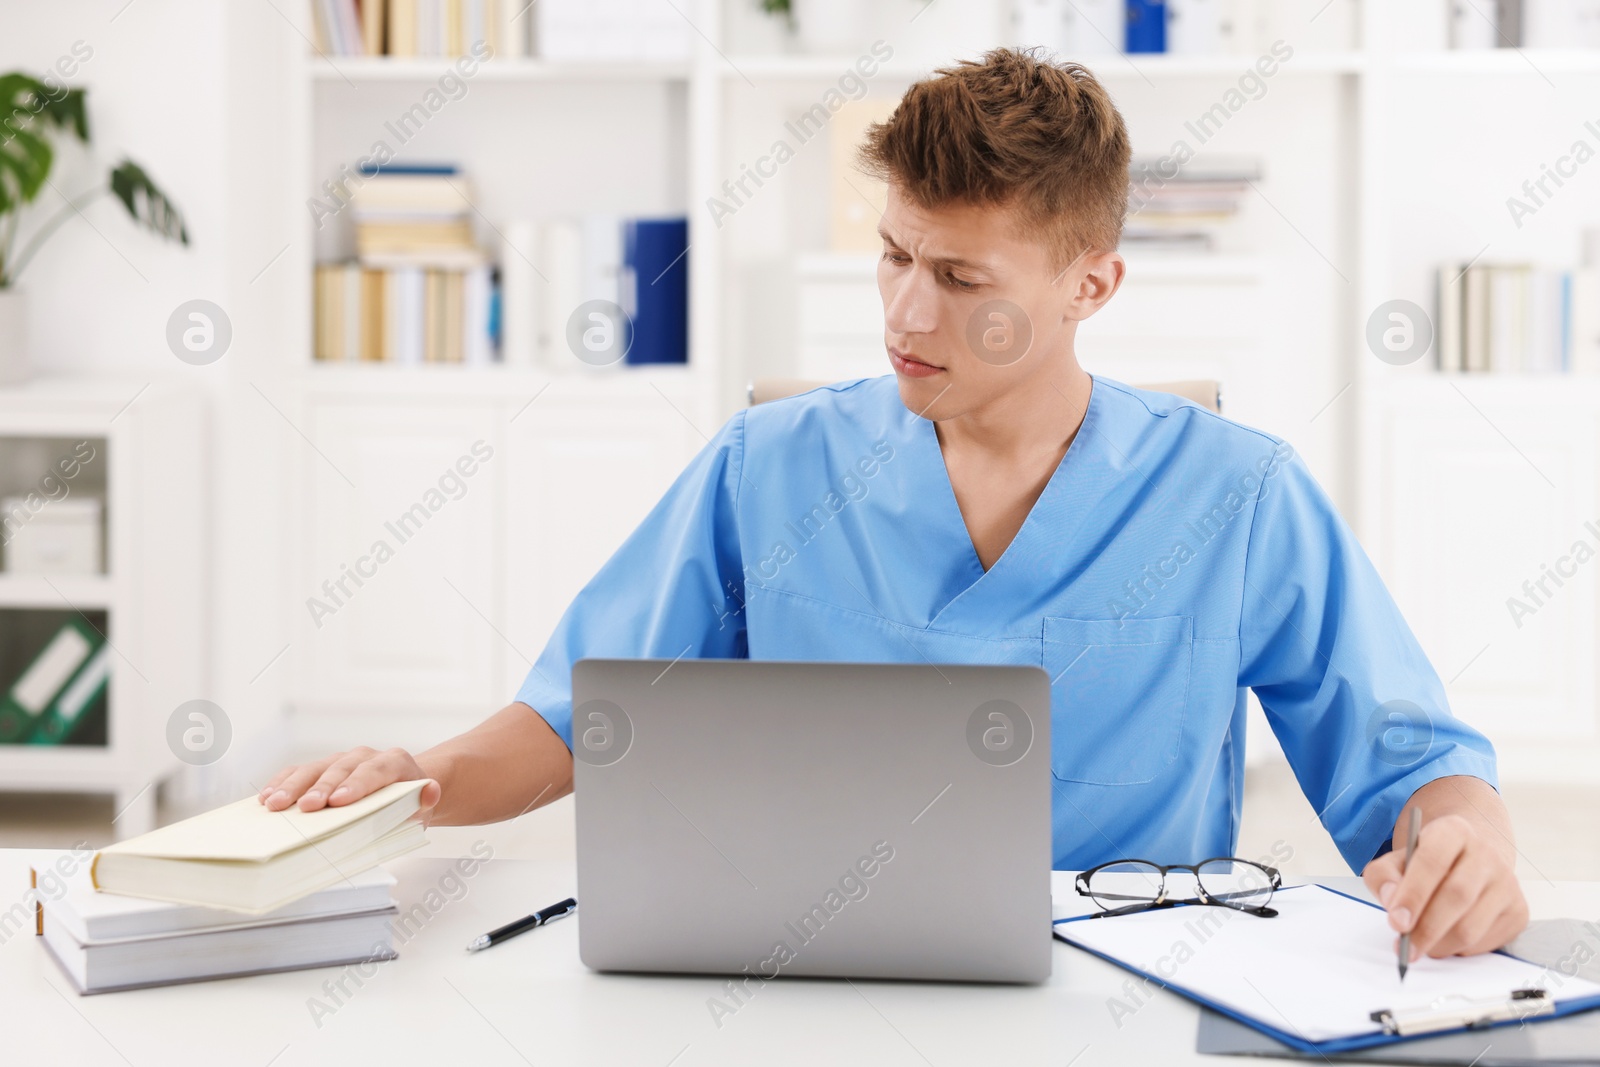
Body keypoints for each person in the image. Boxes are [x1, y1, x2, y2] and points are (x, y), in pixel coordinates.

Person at [261, 48, 1527, 962]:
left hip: (1129, 985)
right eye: (894, 255)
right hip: (811, 973)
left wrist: (1466, 843)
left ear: (1094, 284)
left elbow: (1414, 769)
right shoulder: (767, 466)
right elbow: (577, 715)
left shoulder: (1236, 493)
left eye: (962, 277)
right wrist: (411, 777)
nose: (906, 313)